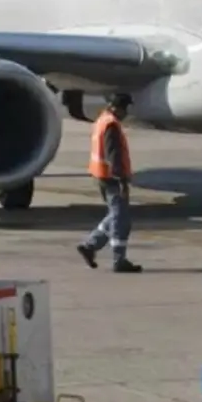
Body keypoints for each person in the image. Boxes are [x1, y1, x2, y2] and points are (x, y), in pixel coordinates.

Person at [77, 95, 142, 273]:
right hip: (111, 178)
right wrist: (121, 180)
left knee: (115, 214)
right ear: (117, 107)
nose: (126, 113)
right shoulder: (111, 124)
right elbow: (114, 155)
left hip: (101, 174)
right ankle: (119, 260)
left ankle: (90, 246)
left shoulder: (103, 120)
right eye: (125, 109)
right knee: (121, 219)